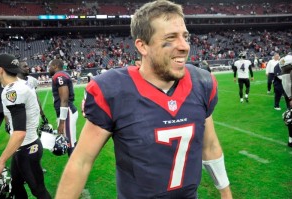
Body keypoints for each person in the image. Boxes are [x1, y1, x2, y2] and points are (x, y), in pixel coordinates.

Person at [56, 1, 232, 198]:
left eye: (185, 36)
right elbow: (81, 161)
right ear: (142, 46)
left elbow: (210, 146)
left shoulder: (201, 83)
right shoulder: (115, 90)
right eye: (171, 38)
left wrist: (226, 194)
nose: (184, 46)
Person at [0, 53, 51, 199]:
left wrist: (1, 161)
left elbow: (20, 133)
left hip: (27, 148)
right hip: (25, 148)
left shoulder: (13, 91)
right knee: (16, 185)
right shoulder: (21, 83)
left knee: (39, 191)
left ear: (0, 70)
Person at [48, 58, 78, 156]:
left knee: (69, 143)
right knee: (71, 141)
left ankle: (74, 169)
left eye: (50, 67)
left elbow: (64, 99)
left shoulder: (59, 76)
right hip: (67, 112)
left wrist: (62, 122)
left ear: (55, 66)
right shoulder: (61, 75)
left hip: (67, 112)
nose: (48, 69)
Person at [17, 61, 49, 125]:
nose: (28, 68)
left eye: (27, 66)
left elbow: (36, 98)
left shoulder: (32, 80)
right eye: (25, 66)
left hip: (33, 114)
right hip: (21, 116)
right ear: (18, 69)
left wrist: (42, 115)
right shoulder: (14, 82)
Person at [279, 43, 292, 148]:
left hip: (286, 89)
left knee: (291, 115)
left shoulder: (282, 59)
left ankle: (291, 139)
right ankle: (291, 140)